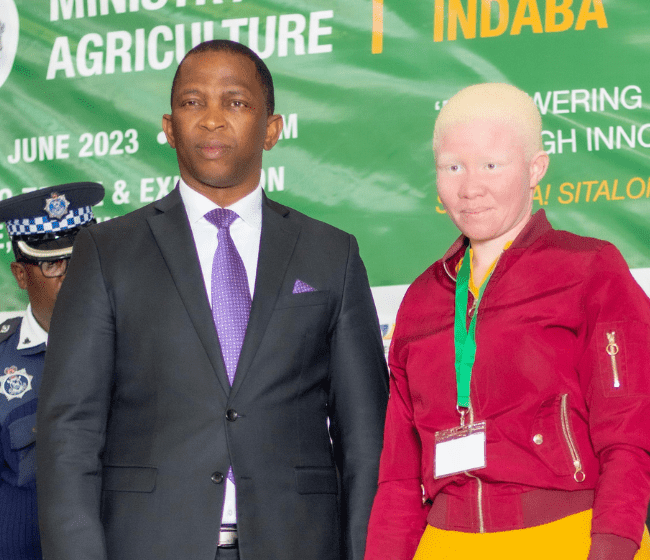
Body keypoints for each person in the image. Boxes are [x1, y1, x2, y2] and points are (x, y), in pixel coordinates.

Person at [36, 40, 388, 560]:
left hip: (298, 544)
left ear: (272, 129)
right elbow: (70, 435)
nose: (212, 119)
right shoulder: (107, 252)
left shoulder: (330, 254)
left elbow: (366, 441)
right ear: (168, 124)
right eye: (192, 102)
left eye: (236, 102)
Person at [365, 83, 650, 560]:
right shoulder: (421, 299)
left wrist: (612, 546)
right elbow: (399, 475)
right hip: (446, 543)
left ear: (535, 168)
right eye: (453, 167)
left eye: (491, 165)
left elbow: (630, 434)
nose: (470, 187)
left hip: (568, 535)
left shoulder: (590, 268)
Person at [0, 182, 104, 560]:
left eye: (79, 256)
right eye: (51, 263)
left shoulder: (142, 348)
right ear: (20, 274)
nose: (69, 273)